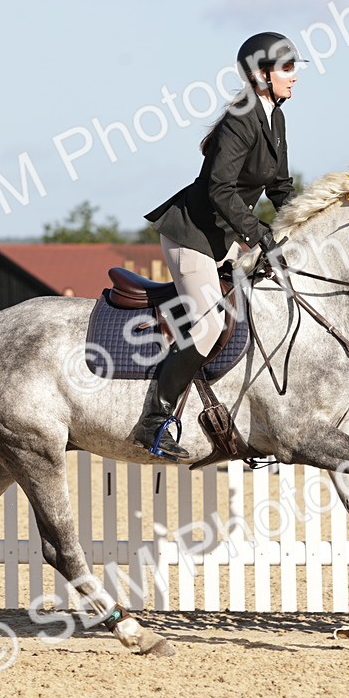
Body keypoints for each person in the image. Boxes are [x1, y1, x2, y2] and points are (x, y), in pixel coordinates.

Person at [135, 32, 305, 458]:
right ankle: (153, 421)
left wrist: (302, 225)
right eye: (287, 68)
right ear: (262, 74)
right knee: (208, 326)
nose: (295, 77)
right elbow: (219, 189)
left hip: (226, 236)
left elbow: (280, 187)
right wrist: (260, 235)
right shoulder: (241, 117)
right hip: (192, 235)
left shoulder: (274, 117)